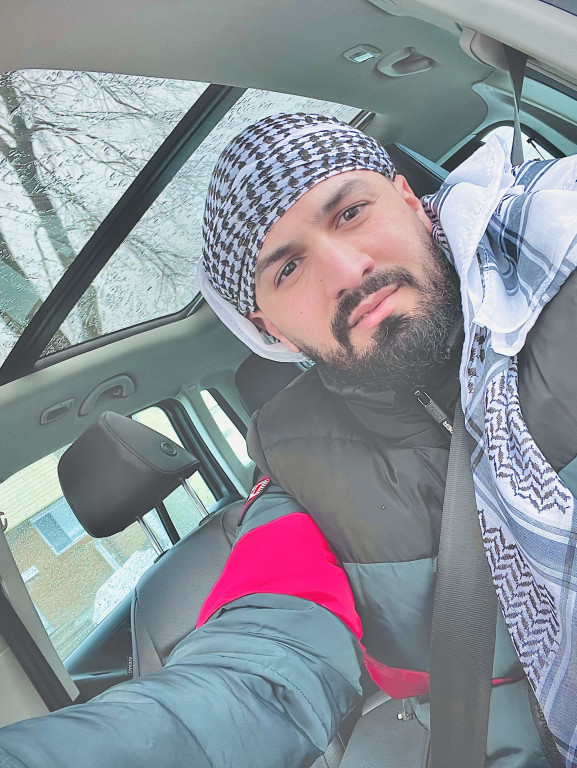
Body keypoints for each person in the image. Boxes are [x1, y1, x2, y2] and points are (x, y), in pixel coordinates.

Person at [0, 113, 575, 768]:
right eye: (289, 268)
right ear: (268, 330)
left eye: (351, 212)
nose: (346, 271)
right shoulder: (299, 473)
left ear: (411, 201)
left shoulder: (561, 268)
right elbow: (258, 675)